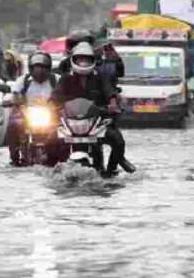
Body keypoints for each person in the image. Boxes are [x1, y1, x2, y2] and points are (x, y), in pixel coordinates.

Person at [51, 42, 136, 177]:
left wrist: (112, 105)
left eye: (86, 59)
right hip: (70, 123)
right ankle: (50, 167)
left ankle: (112, 169)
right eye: (80, 59)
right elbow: (54, 97)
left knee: (118, 141)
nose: (83, 62)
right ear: (74, 60)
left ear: (92, 60)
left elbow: (110, 93)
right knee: (49, 138)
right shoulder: (66, 78)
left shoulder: (100, 77)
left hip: (97, 122)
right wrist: (50, 107)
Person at [5, 51, 58, 166]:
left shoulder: (56, 80)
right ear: (31, 68)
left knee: (64, 133)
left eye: (43, 67)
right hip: (27, 116)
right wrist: (15, 101)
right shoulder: (23, 81)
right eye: (36, 67)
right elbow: (14, 95)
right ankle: (14, 157)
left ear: (48, 68)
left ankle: (61, 157)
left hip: (52, 117)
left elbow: (65, 95)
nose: (39, 70)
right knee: (12, 126)